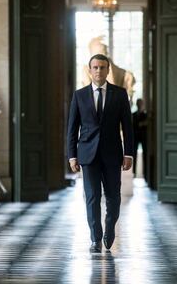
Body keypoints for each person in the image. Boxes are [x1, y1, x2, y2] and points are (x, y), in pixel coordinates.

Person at [67, 54, 133, 253]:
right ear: (90, 70)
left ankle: (110, 229)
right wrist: (72, 155)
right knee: (92, 197)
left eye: (102, 67)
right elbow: (72, 128)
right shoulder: (79, 95)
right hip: (88, 155)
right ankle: (95, 237)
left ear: (108, 69)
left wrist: (128, 153)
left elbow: (128, 127)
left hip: (113, 154)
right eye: (95, 67)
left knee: (113, 196)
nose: (98, 71)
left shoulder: (120, 94)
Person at [132, 98, 147, 177]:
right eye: (138, 103)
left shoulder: (145, 115)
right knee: (134, 154)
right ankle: (134, 172)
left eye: (140, 103)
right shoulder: (133, 114)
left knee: (145, 154)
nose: (139, 105)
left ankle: (145, 172)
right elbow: (133, 125)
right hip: (136, 136)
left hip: (144, 137)